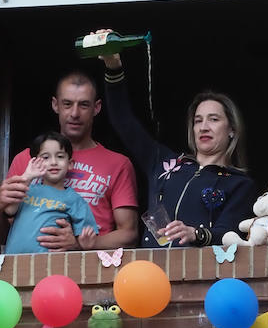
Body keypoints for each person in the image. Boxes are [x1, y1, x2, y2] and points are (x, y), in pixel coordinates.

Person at [95, 33, 259, 248]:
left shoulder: (239, 184)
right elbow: (123, 121)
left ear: (232, 130)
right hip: (149, 273)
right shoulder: (165, 163)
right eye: (198, 120)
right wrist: (113, 66)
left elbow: (229, 236)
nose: (204, 126)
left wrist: (196, 234)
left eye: (214, 119)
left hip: (199, 276)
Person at [0, 70, 138, 252]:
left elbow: (129, 235)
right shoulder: (27, 160)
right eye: (67, 104)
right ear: (55, 105)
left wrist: (79, 245)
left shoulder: (118, 164)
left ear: (97, 108)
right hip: (27, 271)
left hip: (90, 272)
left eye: (83, 105)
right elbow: (2, 236)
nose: (75, 113)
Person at [1, 132, 98, 255]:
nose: (53, 162)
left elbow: (86, 237)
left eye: (60, 157)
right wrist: (27, 176)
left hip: (50, 263)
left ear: (70, 164)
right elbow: (9, 210)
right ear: (35, 163)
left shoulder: (74, 199)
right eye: (46, 157)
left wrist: (84, 243)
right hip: (13, 262)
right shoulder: (27, 189)